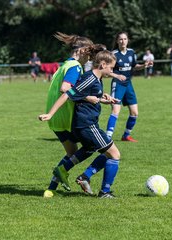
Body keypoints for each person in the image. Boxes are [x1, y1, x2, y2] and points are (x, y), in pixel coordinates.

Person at [39, 49, 121, 198]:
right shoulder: (90, 78)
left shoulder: (96, 79)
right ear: (103, 64)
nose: (112, 71)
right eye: (111, 67)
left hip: (84, 124)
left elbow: (84, 96)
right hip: (87, 125)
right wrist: (50, 114)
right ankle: (105, 192)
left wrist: (103, 99)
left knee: (90, 148)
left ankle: (64, 169)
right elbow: (68, 94)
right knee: (114, 154)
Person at [40, 32, 101, 198]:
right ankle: (86, 177)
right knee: (94, 146)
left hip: (55, 119)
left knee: (72, 152)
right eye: (89, 54)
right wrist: (89, 97)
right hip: (66, 118)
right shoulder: (75, 67)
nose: (89, 59)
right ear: (81, 51)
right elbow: (65, 89)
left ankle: (51, 188)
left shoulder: (64, 65)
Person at [106, 32, 152, 142]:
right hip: (117, 84)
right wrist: (117, 75)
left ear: (128, 40)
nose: (123, 41)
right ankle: (107, 138)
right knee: (116, 110)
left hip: (128, 84)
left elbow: (134, 66)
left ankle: (126, 135)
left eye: (125, 39)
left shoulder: (131, 52)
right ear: (117, 41)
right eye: (120, 39)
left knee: (135, 113)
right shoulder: (114, 54)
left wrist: (144, 65)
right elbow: (106, 71)